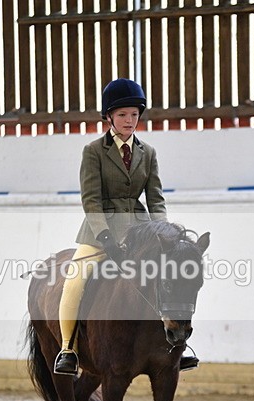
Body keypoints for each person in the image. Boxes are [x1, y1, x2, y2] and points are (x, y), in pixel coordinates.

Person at [53, 78, 200, 376]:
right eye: (122, 115)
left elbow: (156, 199)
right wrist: (105, 236)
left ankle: (175, 348)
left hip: (142, 233)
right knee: (74, 280)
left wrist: (164, 233)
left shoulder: (148, 153)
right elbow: (91, 200)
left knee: (172, 278)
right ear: (109, 117)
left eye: (134, 114)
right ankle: (68, 348)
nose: (129, 121)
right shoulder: (93, 151)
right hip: (98, 232)